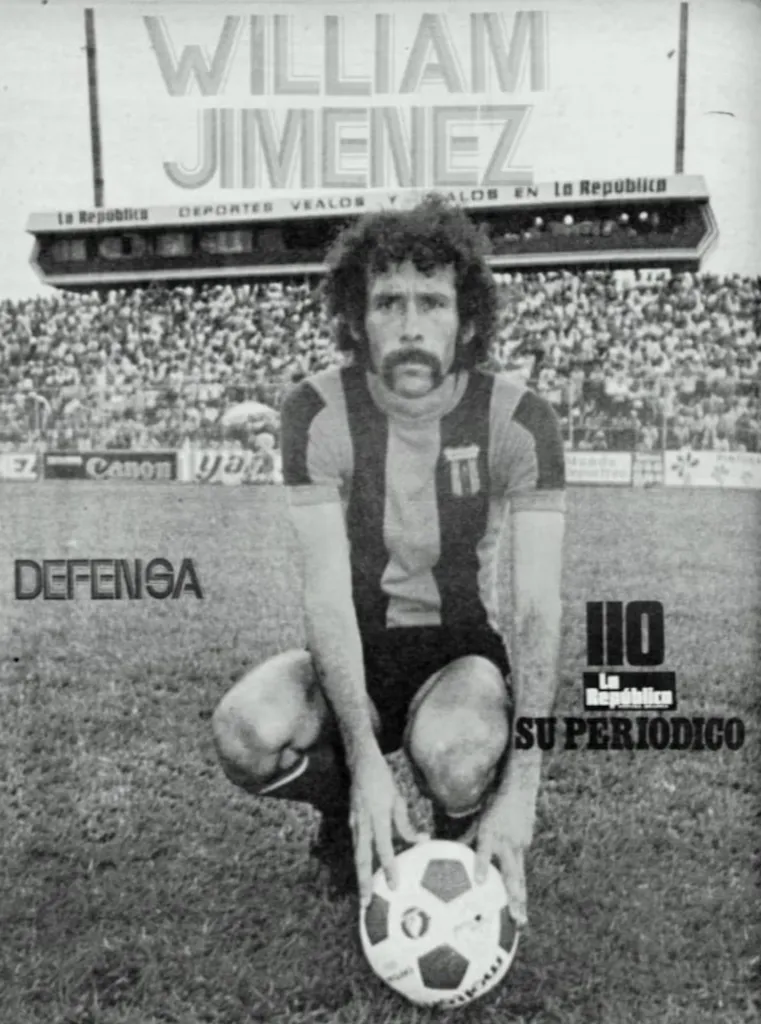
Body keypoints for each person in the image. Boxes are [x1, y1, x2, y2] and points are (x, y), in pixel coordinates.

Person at [211, 196, 565, 930]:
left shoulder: (519, 417)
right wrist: (367, 767)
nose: (409, 325)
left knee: (461, 756)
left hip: (457, 655)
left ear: (467, 320)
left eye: (432, 302)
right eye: (387, 302)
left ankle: (453, 838)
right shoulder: (314, 410)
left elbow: (536, 609)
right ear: (355, 318)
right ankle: (347, 814)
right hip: (353, 649)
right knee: (246, 732)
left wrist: (522, 783)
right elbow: (326, 596)